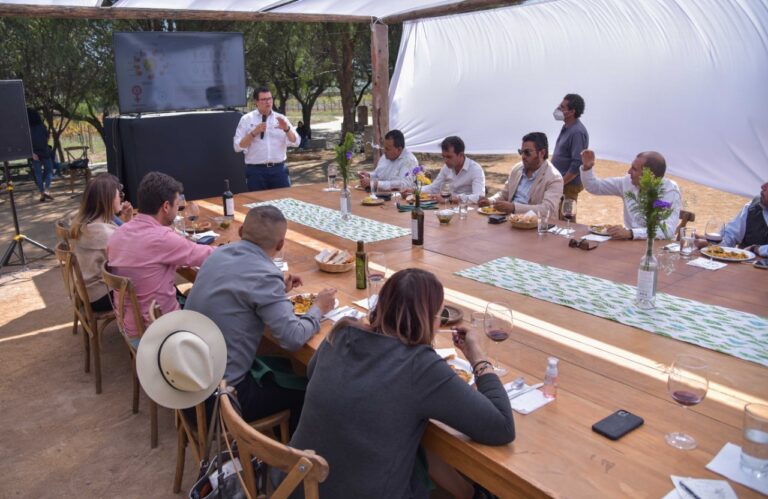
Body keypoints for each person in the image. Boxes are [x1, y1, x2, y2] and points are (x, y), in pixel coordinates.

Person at [288, 268, 515, 499]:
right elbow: (502, 427)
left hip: (292, 485)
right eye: (439, 315)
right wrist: (478, 358)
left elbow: (312, 371)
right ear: (428, 320)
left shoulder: (342, 331)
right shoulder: (421, 366)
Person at [185, 205, 337, 428]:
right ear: (281, 244)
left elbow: (240, 295)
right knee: (310, 391)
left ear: (240, 231)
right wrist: (318, 308)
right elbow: (292, 338)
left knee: (279, 363)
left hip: (186, 382)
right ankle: (288, 456)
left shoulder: (217, 256)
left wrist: (277, 291)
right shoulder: (265, 274)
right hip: (223, 399)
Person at [107, 172, 215, 338]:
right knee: (215, 305)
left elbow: (146, 263)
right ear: (166, 206)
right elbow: (208, 255)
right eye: (177, 205)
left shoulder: (118, 233)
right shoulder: (162, 238)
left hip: (129, 325)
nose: (178, 209)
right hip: (160, 331)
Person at [580, 149, 681, 240]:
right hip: (630, 244)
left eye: (634, 169)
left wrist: (631, 233)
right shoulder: (627, 182)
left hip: (658, 249)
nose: (629, 172)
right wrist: (587, 168)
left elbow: (665, 230)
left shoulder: (669, 191)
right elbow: (595, 187)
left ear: (650, 175)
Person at [70, 173, 134, 312]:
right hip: (100, 295)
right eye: (119, 195)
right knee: (151, 281)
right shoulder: (103, 232)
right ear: (109, 199)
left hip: (87, 291)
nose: (121, 199)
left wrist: (127, 220)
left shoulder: (87, 222)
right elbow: (132, 253)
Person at [478, 132, 563, 216]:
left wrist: (514, 208)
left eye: (527, 152)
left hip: (536, 226)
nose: (523, 156)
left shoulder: (554, 178)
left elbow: (547, 209)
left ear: (542, 153)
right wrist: (490, 201)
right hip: (510, 221)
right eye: (521, 152)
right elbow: (504, 194)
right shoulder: (517, 169)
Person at [233, 86, 299, 191]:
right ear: (256, 102)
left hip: (279, 170)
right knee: (259, 206)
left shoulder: (281, 119)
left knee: (283, 204)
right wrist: (254, 133)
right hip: (256, 172)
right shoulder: (246, 119)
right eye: (264, 99)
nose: (268, 102)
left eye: (270, 98)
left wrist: (286, 129)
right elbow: (237, 147)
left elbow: (296, 142)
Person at [695, 181, 768, 256]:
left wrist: (757, 249)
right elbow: (731, 235)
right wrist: (711, 243)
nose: (763, 186)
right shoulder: (753, 206)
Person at [551, 94, 589, 216]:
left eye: (562, 107)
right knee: (557, 218)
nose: (558, 109)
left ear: (572, 111)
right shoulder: (567, 126)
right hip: (562, 184)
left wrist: (561, 182)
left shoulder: (577, 132)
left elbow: (577, 163)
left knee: (567, 220)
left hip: (569, 186)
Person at [420, 136, 486, 204]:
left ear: (461, 155)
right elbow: (434, 188)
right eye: (443, 156)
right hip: (448, 208)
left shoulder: (475, 170)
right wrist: (415, 190)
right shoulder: (446, 168)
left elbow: (480, 197)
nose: (445, 160)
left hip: (467, 211)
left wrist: (451, 199)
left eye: (449, 157)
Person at [27, 108, 54, 202]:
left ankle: (42, 194)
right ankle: (46, 190)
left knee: (38, 174)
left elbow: (26, 142)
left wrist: (32, 153)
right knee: (50, 170)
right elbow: (47, 138)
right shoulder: (42, 126)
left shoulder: (27, 128)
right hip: (45, 151)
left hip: (34, 153)